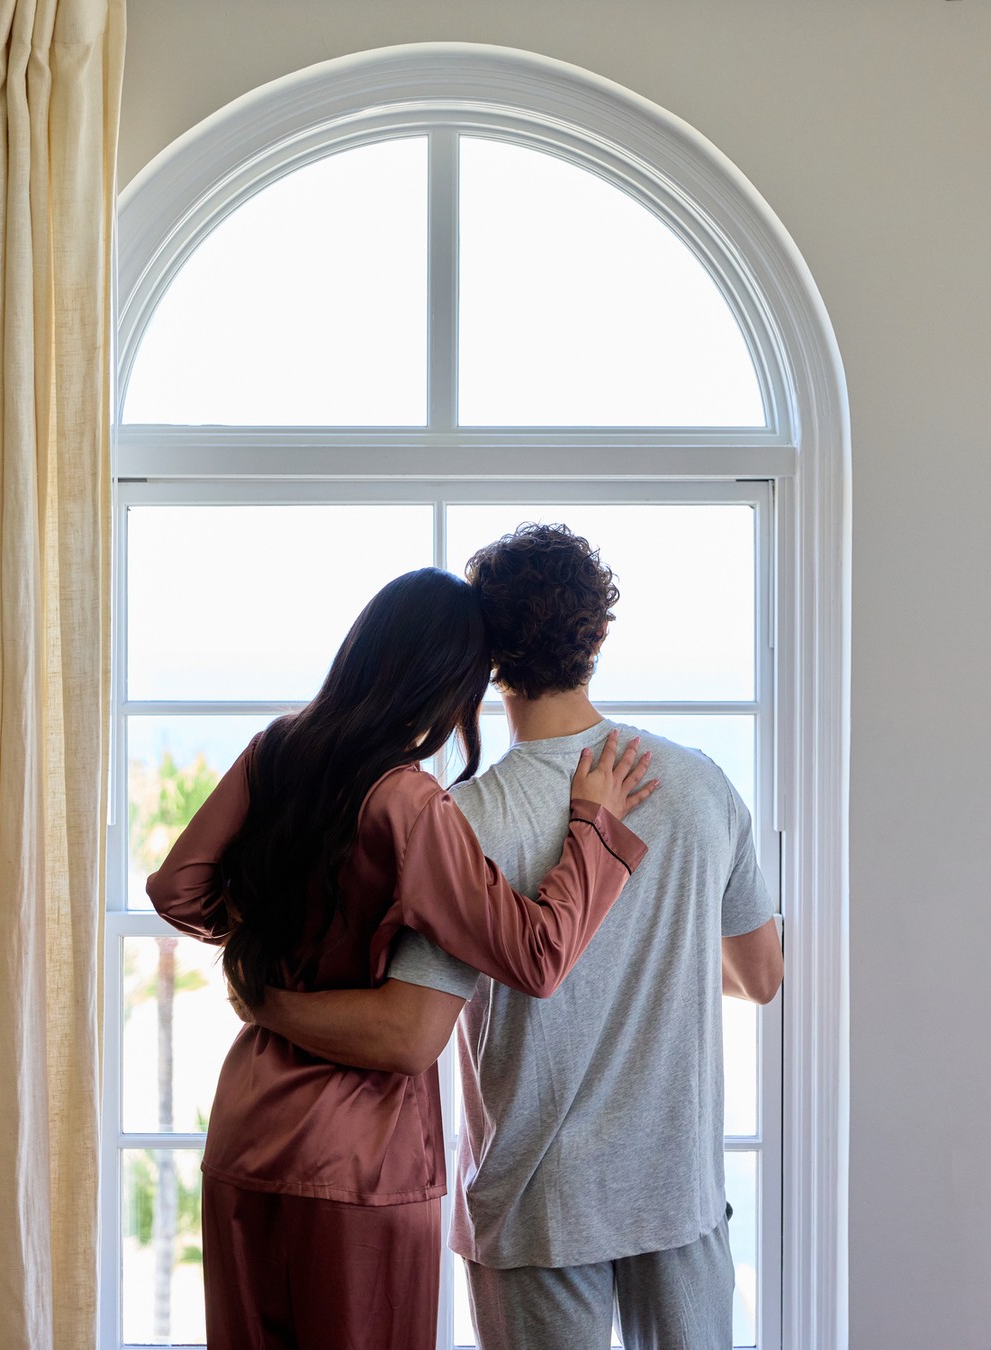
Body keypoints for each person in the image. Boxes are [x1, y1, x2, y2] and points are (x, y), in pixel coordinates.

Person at [251, 524, 784, 1350]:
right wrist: (661, 949)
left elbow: (405, 1033)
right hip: (678, 1192)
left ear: (488, 658)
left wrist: (268, 1003)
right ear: (597, 636)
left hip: (537, 1207)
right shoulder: (701, 784)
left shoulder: (463, 820)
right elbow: (760, 975)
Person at [145, 565, 660, 1350]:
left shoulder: (272, 750)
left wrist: (263, 961)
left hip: (246, 1131)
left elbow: (178, 889)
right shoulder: (410, 803)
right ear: (449, 681)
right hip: (363, 1160)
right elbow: (536, 953)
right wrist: (592, 827)